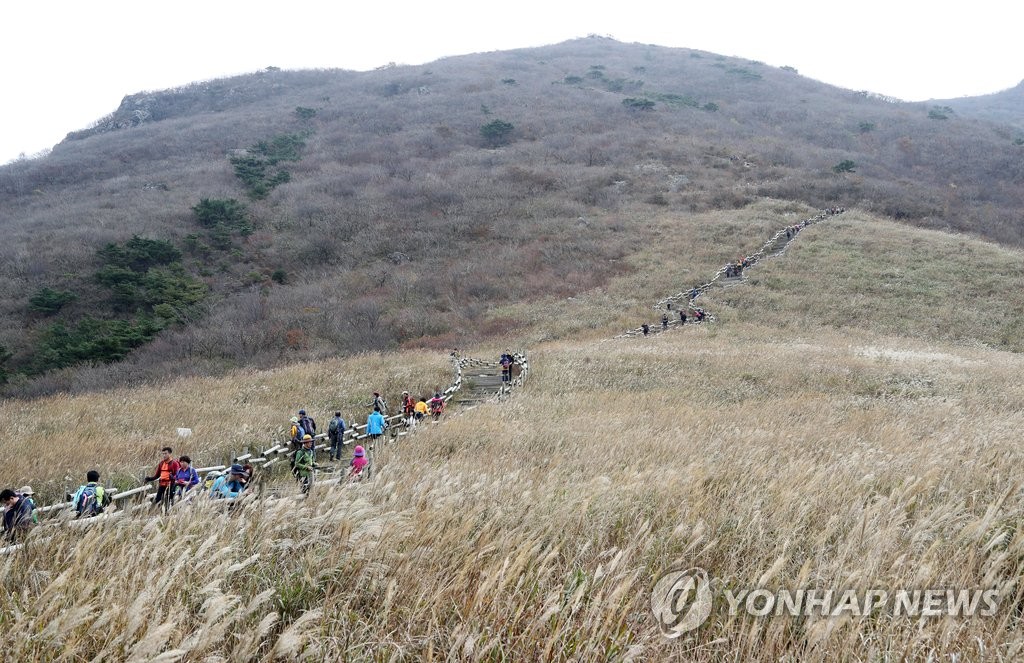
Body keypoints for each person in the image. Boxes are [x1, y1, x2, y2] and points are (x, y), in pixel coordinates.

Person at [144, 447, 181, 512]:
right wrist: (149, 479)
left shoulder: (174, 463)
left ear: (170, 453)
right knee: (158, 500)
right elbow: (157, 475)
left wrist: (172, 477)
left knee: (168, 501)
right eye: (163, 454)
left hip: (171, 485)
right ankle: (159, 513)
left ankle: (168, 514)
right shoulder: (161, 463)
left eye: (165, 453)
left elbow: (178, 475)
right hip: (162, 484)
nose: (164, 455)